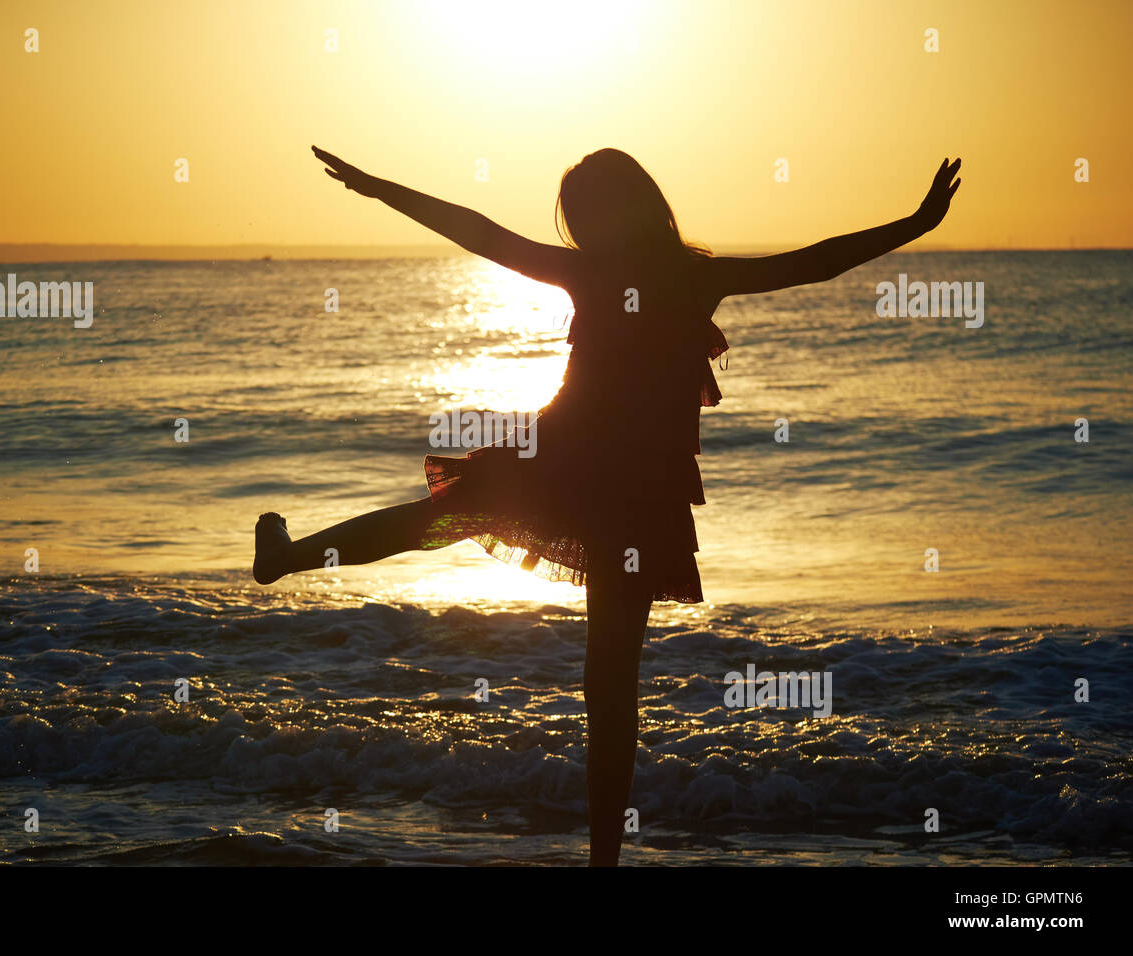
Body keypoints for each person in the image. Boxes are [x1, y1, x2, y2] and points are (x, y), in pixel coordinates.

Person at [254, 146, 962, 865]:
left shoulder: (599, 272)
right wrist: (916, 221)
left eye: (588, 214)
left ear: (622, 210)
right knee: (601, 674)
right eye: (577, 219)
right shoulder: (691, 277)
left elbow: (479, 232)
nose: (581, 230)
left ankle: (287, 557)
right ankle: (602, 863)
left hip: (572, 465)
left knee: (447, 536)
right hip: (631, 486)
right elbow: (814, 260)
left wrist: (380, 189)